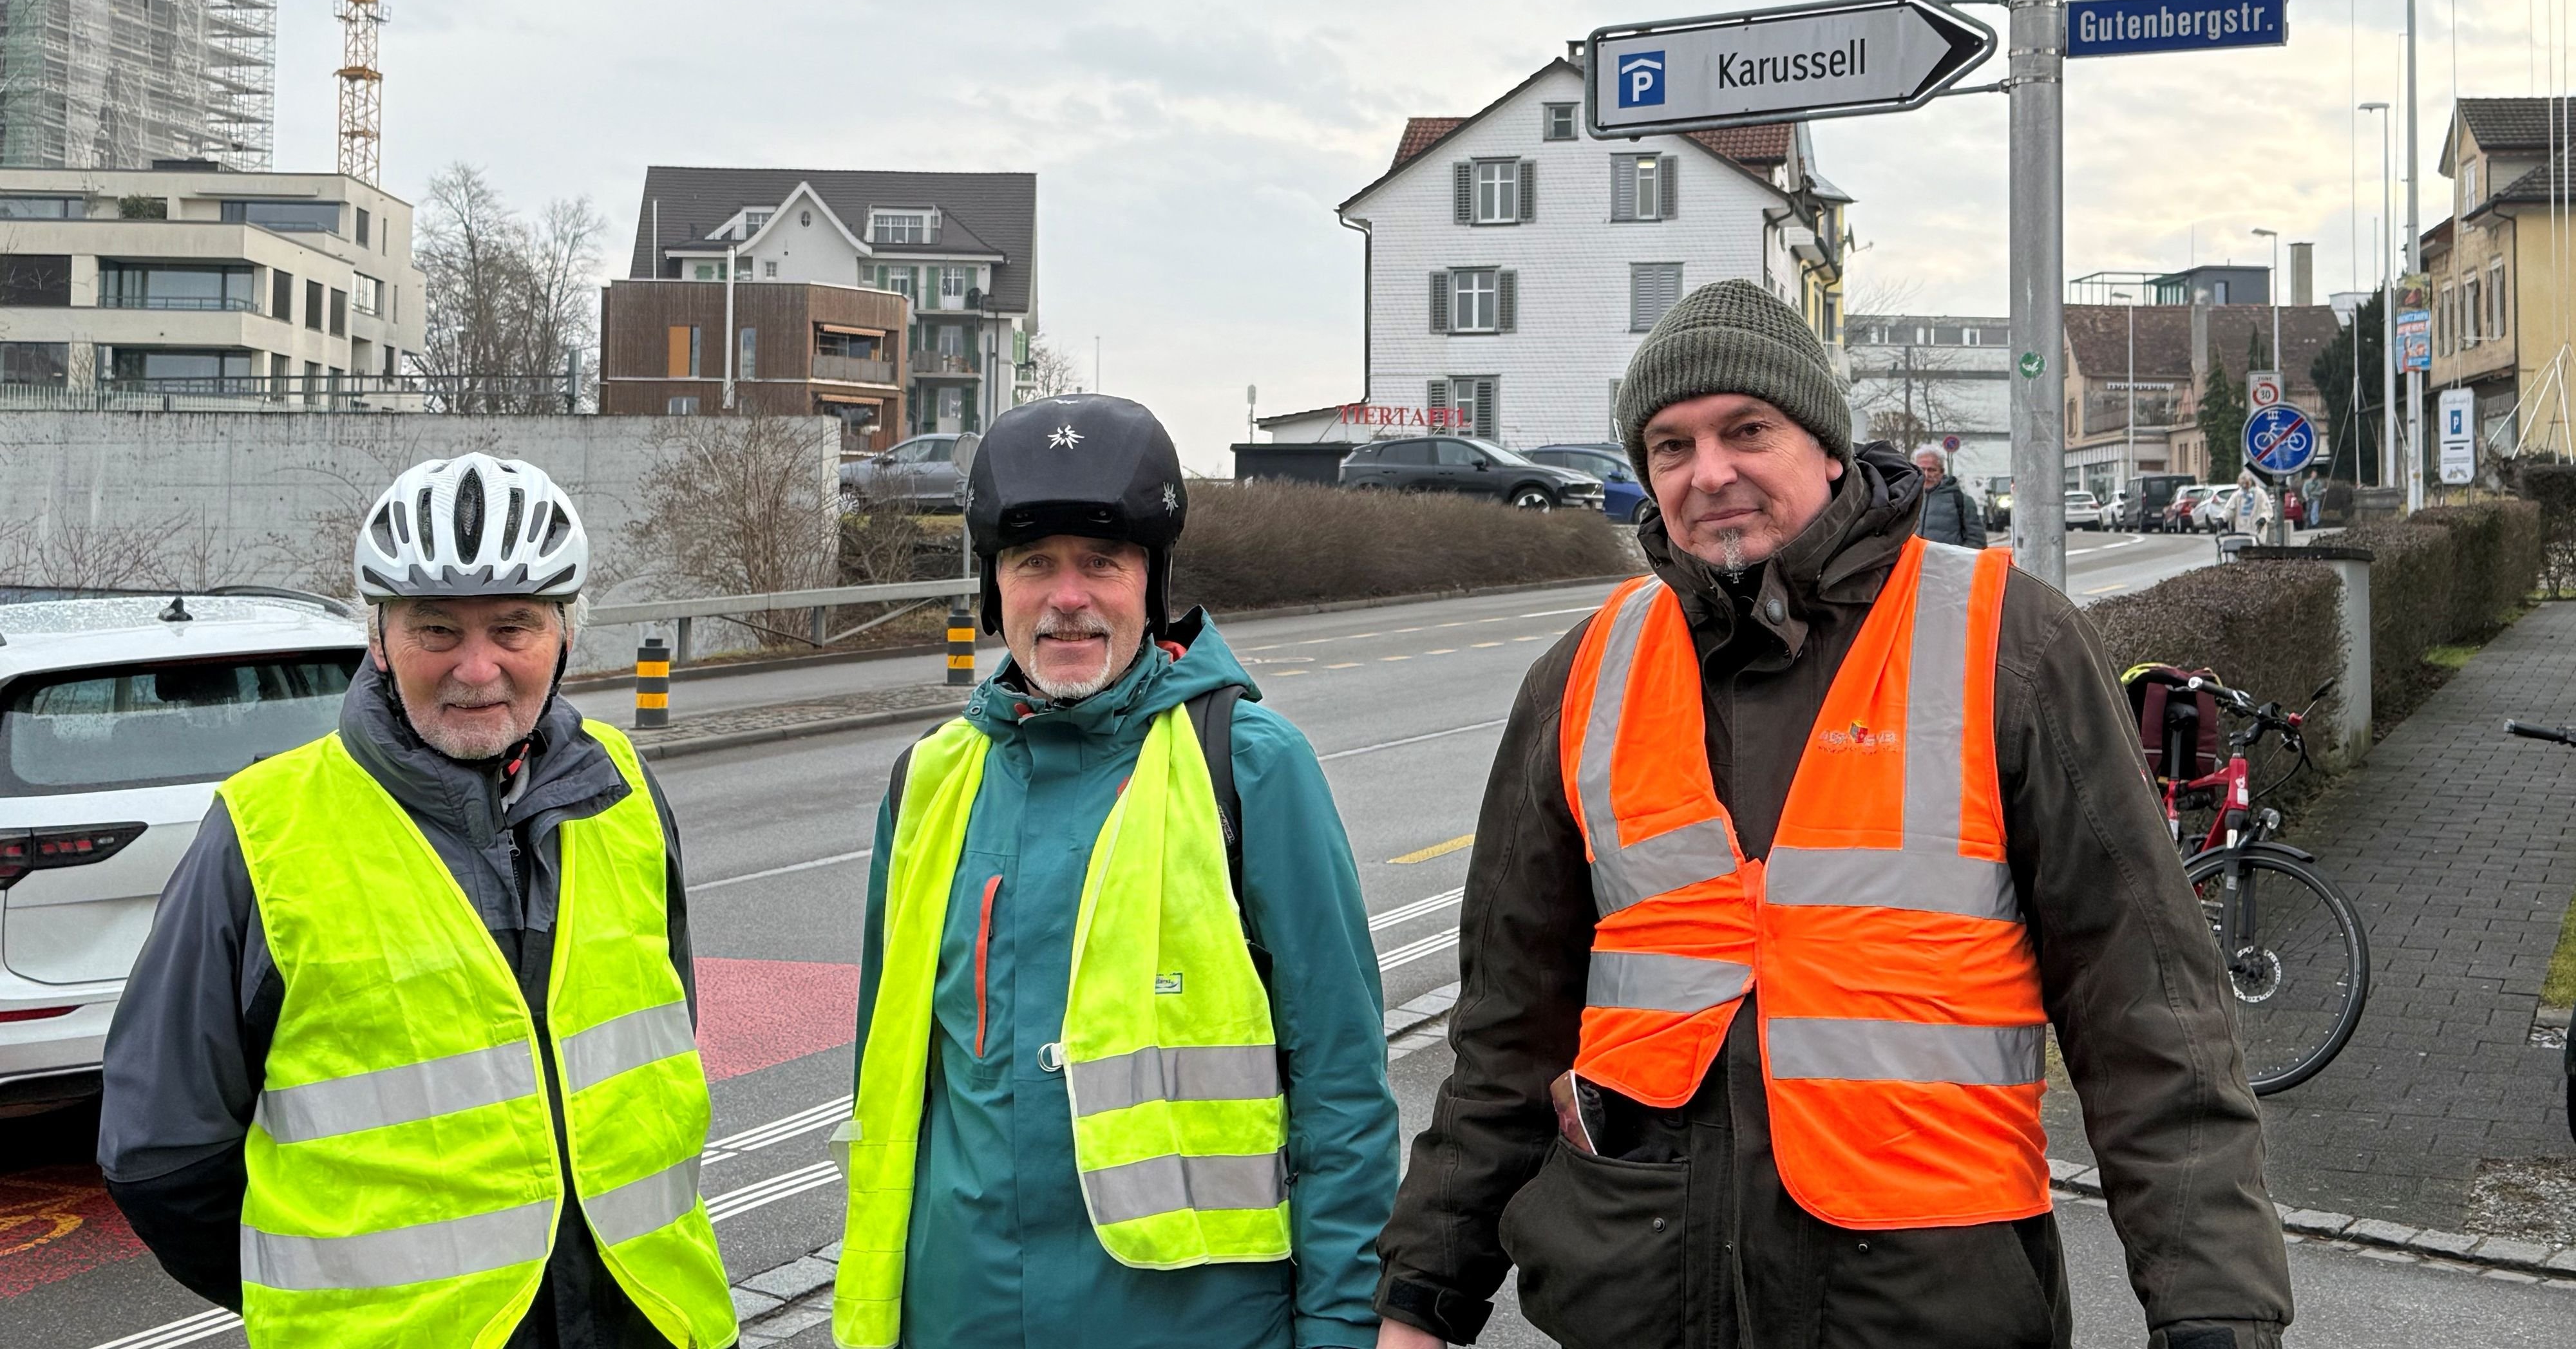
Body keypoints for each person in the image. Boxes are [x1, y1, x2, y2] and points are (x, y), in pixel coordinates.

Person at [1371, 281, 2291, 1349]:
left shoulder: (2009, 646)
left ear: (1824, 444)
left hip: (1922, 1310)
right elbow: (1505, 1038)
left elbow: (2150, 1015)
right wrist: (1422, 1298)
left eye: (1745, 430)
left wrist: (2214, 1314)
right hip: (1640, 1302)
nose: (1709, 472)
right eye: (1670, 447)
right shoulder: (1582, 678)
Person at [100, 454, 735, 1347]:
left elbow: (661, 1048)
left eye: (514, 627)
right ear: (379, 638)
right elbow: (165, 1154)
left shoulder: (625, 789)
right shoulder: (263, 831)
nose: (477, 670)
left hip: (652, 1320)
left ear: (566, 634)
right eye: (436, 630)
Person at [831, 394, 1398, 1349]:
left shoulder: (1251, 767)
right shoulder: (929, 781)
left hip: (1195, 1325)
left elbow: (1342, 1082)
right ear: (993, 586)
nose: (1068, 597)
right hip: (962, 1316)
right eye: (1033, 564)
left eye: (1102, 562)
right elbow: (888, 1081)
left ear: (1150, 580)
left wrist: (1341, 1324)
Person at [1911, 442, 1986, 548]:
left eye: (1932, 470)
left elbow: (1977, 541)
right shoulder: (1906, 498)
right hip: (1911, 563)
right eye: (1921, 469)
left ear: (1941, 472)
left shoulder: (1961, 501)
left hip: (1947, 563)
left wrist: (1957, 559)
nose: (1926, 475)